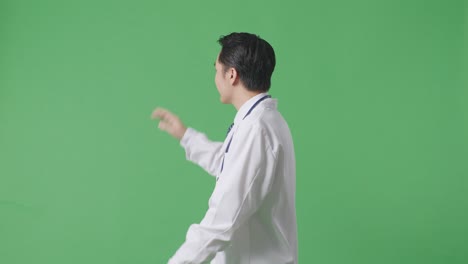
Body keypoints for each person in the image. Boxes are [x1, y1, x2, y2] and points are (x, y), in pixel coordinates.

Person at [151, 32, 298, 264]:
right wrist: (186, 136)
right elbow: (230, 164)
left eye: (216, 69)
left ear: (231, 75)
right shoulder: (266, 121)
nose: (215, 77)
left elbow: (222, 221)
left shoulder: (256, 128)